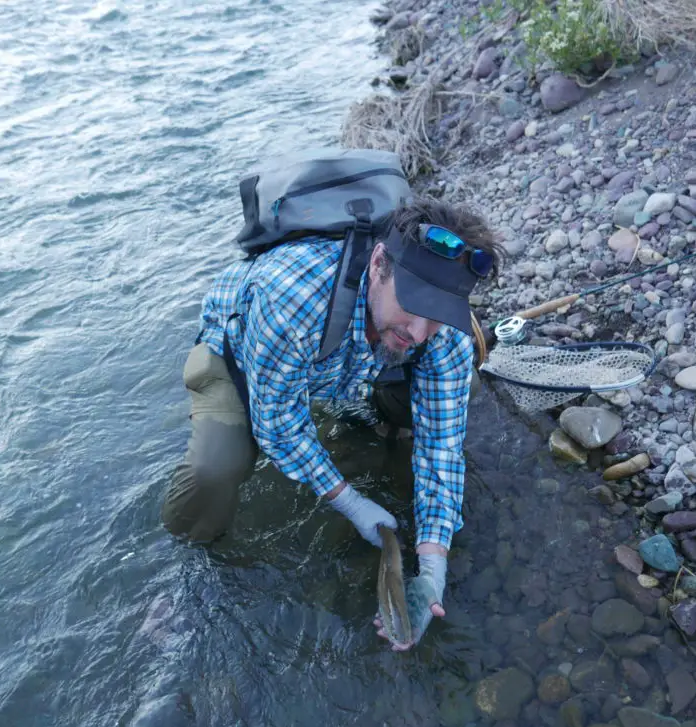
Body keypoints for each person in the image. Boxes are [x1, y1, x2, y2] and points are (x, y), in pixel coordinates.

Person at [161, 198, 504, 649]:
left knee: (461, 389)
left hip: (349, 361)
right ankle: (182, 572)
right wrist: (351, 503)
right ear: (379, 264)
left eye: (438, 316)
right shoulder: (290, 298)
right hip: (242, 355)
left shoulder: (439, 334)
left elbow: (442, 445)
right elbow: (278, 424)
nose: (420, 332)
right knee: (216, 470)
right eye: (414, 305)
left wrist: (433, 568)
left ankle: (383, 428)